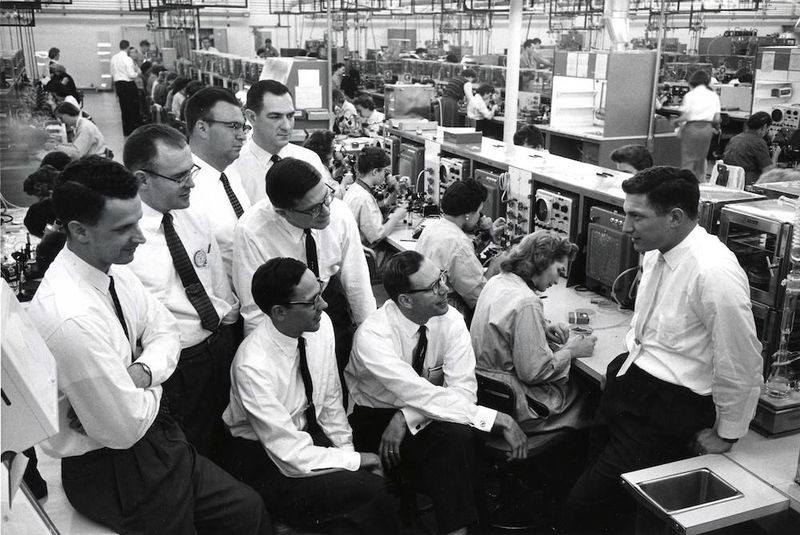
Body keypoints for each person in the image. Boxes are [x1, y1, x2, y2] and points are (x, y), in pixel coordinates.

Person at [28, 155, 270, 535]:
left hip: (158, 439)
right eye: (124, 228)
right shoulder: (70, 317)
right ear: (79, 230)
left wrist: (139, 373)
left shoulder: (113, 270)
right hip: (114, 468)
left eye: (138, 221)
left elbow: (165, 329)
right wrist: (152, 381)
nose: (140, 237)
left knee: (247, 510)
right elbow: (124, 429)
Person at [561, 166, 763, 534]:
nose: (625, 227)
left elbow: (742, 359)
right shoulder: (656, 250)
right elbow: (647, 328)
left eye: (636, 216)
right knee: (600, 494)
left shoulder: (713, 272)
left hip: (667, 408)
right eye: (625, 213)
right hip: (630, 385)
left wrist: (728, 433)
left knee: (584, 508)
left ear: (675, 217)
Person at [346, 250, 528, 535]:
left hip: (428, 410)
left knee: (458, 439)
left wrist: (407, 416)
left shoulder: (450, 319)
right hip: (376, 420)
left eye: (441, 278)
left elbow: (464, 392)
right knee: (457, 445)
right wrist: (497, 418)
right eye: (434, 287)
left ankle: (458, 530)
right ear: (405, 300)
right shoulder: (373, 336)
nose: (446, 289)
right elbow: (419, 392)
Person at [223, 257, 400, 534]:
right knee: (371, 492)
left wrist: (348, 454)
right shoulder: (252, 365)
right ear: (279, 312)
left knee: (369, 488)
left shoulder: (321, 325)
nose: (325, 305)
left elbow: (330, 402)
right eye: (312, 301)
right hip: (265, 459)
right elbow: (288, 455)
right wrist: (358, 462)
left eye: (319, 293)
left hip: (305, 437)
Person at [123, 124, 240, 464]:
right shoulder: (126, 242)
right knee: (189, 452)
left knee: (227, 438)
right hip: (176, 367)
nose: (191, 183)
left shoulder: (193, 215)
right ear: (142, 179)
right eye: (178, 177)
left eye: (191, 171)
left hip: (218, 347)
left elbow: (217, 284)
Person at [232, 157, 375, 378]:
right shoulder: (251, 230)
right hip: (284, 314)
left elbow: (357, 281)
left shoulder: (338, 211)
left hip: (329, 297)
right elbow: (255, 310)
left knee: (335, 377)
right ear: (282, 212)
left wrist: (370, 341)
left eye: (326, 197)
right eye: (313, 210)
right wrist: (269, 364)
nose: (327, 212)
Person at [471, 231, 597, 430]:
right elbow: (534, 372)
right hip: (518, 402)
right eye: (559, 270)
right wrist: (572, 351)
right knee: (588, 391)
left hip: (489, 393)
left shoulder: (498, 280)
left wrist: (541, 326)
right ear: (542, 262)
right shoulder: (528, 302)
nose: (557, 280)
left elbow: (503, 320)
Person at [184, 87, 252, 284]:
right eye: (233, 126)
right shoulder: (186, 187)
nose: (242, 136)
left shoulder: (230, 172)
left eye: (243, 127)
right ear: (202, 128)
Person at [230, 80, 332, 204]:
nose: (286, 126)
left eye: (290, 116)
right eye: (275, 117)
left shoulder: (309, 160)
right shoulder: (234, 169)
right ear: (251, 117)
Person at [416, 179, 499, 324]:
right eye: (479, 213)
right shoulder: (458, 243)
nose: (481, 217)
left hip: (424, 309)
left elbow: (457, 257)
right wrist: (495, 266)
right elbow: (478, 296)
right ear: (468, 214)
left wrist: (485, 237)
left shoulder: (433, 228)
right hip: (446, 316)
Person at [343, 146, 407, 248]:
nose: (385, 175)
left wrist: (390, 197)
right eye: (384, 171)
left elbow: (371, 212)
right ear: (375, 171)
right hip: (366, 255)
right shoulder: (364, 198)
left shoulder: (355, 188)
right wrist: (396, 217)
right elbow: (377, 236)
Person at [673, 70, 721, 181]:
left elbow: (685, 117)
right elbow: (717, 119)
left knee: (688, 159)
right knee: (701, 160)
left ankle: (686, 183)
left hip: (692, 129)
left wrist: (675, 121)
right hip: (707, 130)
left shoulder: (690, 95)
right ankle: (699, 183)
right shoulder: (714, 96)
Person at [723, 111, 779, 186]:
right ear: (764, 127)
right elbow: (769, 173)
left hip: (730, 181)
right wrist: (776, 155)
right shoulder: (758, 142)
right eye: (767, 130)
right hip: (747, 183)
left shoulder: (735, 138)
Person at [110, 39, 141, 136]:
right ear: (128, 47)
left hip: (118, 85)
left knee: (124, 108)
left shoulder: (114, 58)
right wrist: (138, 73)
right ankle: (133, 129)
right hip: (128, 85)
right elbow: (131, 74)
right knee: (132, 107)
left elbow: (112, 72)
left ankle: (126, 130)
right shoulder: (127, 59)